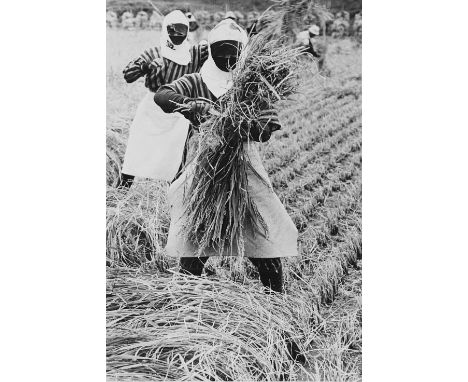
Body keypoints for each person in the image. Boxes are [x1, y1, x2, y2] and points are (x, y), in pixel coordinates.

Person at [154, 19, 304, 363]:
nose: (226, 58)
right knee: (196, 232)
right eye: (219, 51)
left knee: (263, 233)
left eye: (232, 52)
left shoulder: (251, 84)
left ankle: (276, 310)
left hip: (244, 168)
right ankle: (185, 312)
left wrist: (250, 124)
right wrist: (189, 105)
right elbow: (163, 94)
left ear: (242, 53)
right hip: (205, 166)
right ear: (210, 50)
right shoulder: (198, 79)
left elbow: (266, 130)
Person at [116, 10, 209, 189]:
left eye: (181, 30)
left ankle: (172, 192)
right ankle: (122, 189)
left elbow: (217, 53)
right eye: (172, 30)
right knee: (138, 146)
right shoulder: (154, 52)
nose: (177, 35)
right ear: (165, 30)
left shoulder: (194, 54)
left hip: (179, 109)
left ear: (187, 30)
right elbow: (128, 75)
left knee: (176, 153)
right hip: (151, 109)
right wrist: (146, 66)